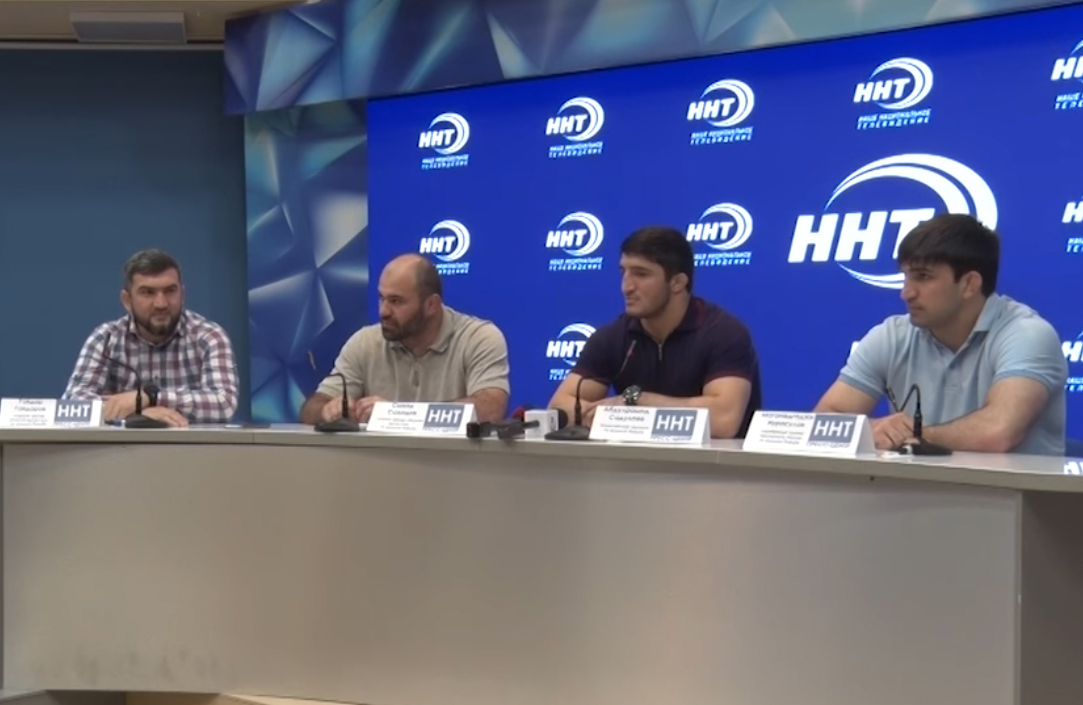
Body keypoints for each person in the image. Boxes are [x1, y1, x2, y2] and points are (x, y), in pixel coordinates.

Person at [814, 213, 1067, 455]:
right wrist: (871, 430)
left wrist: (913, 435)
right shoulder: (891, 337)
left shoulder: (1027, 335)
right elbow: (823, 419)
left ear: (969, 284)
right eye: (906, 277)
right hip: (913, 485)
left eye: (923, 277)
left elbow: (998, 431)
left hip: (1009, 487)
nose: (906, 293)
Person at [547, 226, 762, 438]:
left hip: (713, 461)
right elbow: (559, 407)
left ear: (677, 282)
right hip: (635, 460)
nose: (626, 287)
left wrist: (637, 402)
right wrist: (609, 415)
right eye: (623, 272)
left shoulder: (723, 333)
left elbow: (723, 420)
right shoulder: (613, 336)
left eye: (641, 274)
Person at [301, 254, 510, 425]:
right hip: (381, 463)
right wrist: (326, 410)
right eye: (382, 298)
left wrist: (395, 413)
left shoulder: (478, 338)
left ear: (431, 305)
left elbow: (490, 409)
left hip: (456, 462)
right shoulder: (365, 342)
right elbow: (311, 408)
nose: (383, 312)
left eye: (396, 301)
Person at [64, 249, 240, 427]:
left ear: (182, 294)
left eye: (170, 291)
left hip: (189, 445)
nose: (161, 303)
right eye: (148, 292)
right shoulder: (106, 339)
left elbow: (224, 404)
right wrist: (138, 414)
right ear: (127, 300)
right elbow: (73, 403)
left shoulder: (208, 336)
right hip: (123, 445)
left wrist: (150, 398)